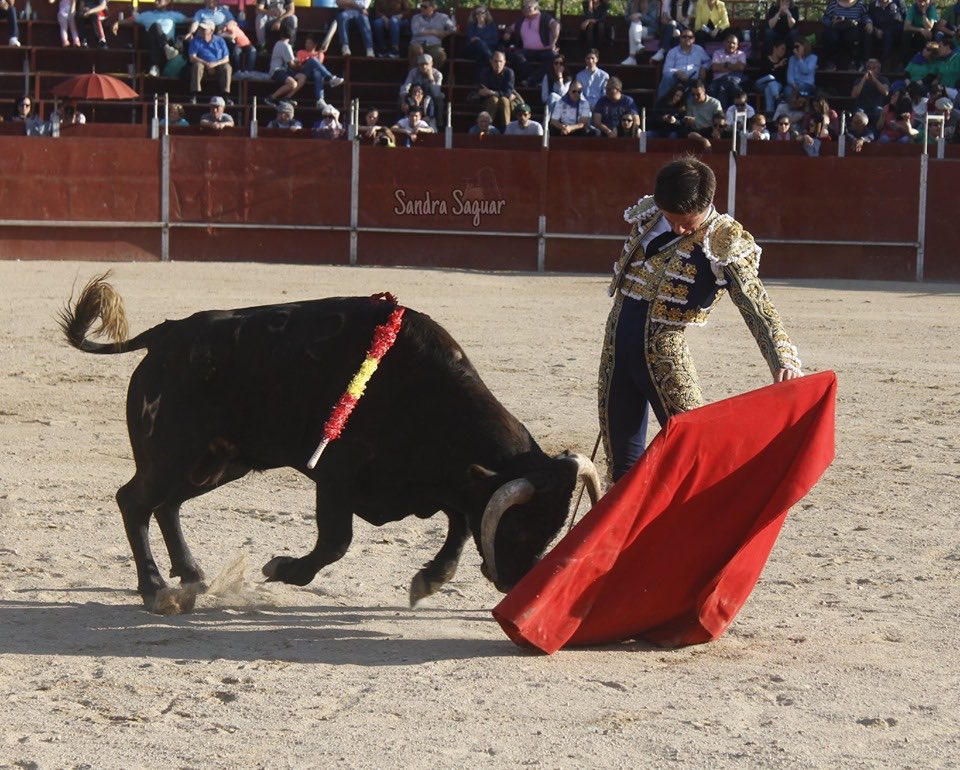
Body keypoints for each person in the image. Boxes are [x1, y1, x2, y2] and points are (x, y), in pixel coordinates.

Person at [598, 157, 802, 482]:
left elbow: (754, 300)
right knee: (620, 463)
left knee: (697, 450)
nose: (678, 229)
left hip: (664, 356)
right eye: (672, 219)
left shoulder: (723, 238)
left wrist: (781, 357)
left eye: (687, 223)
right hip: (615, 350)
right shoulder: (652, 215)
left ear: (706, 203)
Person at [114, 0, 190, 77]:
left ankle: (154, 67)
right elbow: (132, 19)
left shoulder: (173, 15)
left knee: (157, 34)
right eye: (156, 0)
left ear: (167, 2)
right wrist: (117, 22)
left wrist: (193, 29)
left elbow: (191, 20)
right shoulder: (147, 15)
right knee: (155, 26)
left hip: (168, 41)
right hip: (159, 45)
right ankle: (166, 48)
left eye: (159, 1)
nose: (156, 2)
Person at [504, 0, 560, 87]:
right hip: (527, 50)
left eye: (528, 7)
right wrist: (508, 33)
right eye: (524, 7)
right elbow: (510, 28)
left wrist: (553, 43)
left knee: (555, 57)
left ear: (536, 8)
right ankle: (533, 79)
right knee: (515, 55)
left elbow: (556, 25)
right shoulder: (521, 20)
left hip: (544, 50)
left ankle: (530, 80)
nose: (525, 9)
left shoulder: (544, 18)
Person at [656, 27, 710, 100]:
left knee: (697, 85)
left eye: (690, 37)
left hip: (694, 79)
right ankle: (661, 107)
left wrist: (704, 68)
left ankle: (692, 110)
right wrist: (677, 72)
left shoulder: (699, 49)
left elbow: (708, 61)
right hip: (676, 79)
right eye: (684, 37)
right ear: (680, 39)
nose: (687, 39)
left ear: (694, 39)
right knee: (666, 78)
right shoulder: (673, 52)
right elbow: (666, 70)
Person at [296, 33, 345, 111]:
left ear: (314, 45)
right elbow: (298, 65)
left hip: (315, 73)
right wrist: (308, 60)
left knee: (318, 73)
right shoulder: (300, 52)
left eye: (309, 43)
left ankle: (320, 100)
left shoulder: (320, 54)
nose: (306, 45)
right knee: (312, 60)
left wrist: (315, 57)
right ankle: (331, 78)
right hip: (304, 72)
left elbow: (319, 66)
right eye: (306, 43)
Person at [821, 0, 874, 70]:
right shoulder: (834, 4)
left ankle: (854, 63)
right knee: (830, 36)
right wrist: (832, 22)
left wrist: (868, 22)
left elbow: (865, 16)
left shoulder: (860, 4)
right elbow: (825, 18)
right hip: (836, 28)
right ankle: (830, 62)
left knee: (854, 36)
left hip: (853, 29)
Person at [189, 20, 232, 104]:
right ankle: (194, 95)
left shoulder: (220, 41)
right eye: (200, 28)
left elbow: (226, 58)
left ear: (211, 31)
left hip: (218, 65)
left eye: (204, 29)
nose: (201, 30)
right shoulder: (195, 40)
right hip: (203, 66)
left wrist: (215, 64)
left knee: (227, 67)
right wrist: (207, 64)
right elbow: (192, 57)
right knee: (197, 66)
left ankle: (226, 95)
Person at [478, 50, 520, 131]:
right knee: (493, 100)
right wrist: (499, 94)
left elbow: (507, 94)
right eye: (495, 61)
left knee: (504, 100)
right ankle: (487, 129)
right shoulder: (485, 72)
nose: (498, 64)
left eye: (500, 61)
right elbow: (483, 91)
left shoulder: (509, 72)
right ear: (491, 61)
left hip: (505, 101)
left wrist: (492, 92)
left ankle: (506, 129)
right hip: (488, 101)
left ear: (504, 62)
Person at [400, 52, 445, 127]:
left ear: (431, 64)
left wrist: (430, 77)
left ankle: (438, 123)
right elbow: (406, 86)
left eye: (426, 64)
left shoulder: (438, 74)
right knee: (402, 97)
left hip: (431, 97)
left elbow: (436, 93)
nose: (424, 67)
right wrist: (403, 100)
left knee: (439, 99)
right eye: (421, 64)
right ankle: (402, 121)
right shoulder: (414, 72)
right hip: (416, 94)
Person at [408, 0, 457, 67]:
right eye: (421, 6)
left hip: (434, 45)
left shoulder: (443, 17)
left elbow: (453, 29)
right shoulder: (416, 17)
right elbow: (416, 31)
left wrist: (444, 33)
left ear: (433, 8)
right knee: (416, 50)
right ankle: (415, 75)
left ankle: (431, 74)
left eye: (425, 7)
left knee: (440, 55)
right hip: (417, 43)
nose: (422, 8)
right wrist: (434, 32)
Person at [266, 27, 307, 105]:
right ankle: (271, 98)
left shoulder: (278, 43)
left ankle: (287, 98)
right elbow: (291, 65)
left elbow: (290, 59)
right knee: (293, 84)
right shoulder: (286, 46)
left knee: (302, 77)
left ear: (281, 35)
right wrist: (300, 67)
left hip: (285, 70)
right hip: (277, 71)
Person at [707, 32, 748, 107]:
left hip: (734, 79)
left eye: (734, 43)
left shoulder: (741, 54)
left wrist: (723, 65)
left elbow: (741, 67)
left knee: (724, 88)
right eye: (729, 42)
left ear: (737, 45)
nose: (731, 45)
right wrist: (732, 66)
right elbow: (715, 67)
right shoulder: (717, 53)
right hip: (718, 80)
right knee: (711, 89)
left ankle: (727, 111)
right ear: (724, 43)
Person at [868, 0, 905, 68]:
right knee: (868, 32)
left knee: (888, 33)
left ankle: (886, 63)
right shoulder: (872, 5)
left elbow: (906, 19)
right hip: (879, 31)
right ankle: (867, 63)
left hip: (897, 31)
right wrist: (876, 30)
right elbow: (869, 20)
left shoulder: (899, 2)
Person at [852, 57, 890, 123]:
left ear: (878, 70)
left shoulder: (883, 79)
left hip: (877, 106)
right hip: (862, 107)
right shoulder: (859, 80)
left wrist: (874, 79)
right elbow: (854, 95)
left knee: (879, 111)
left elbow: (885, 92)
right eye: (869, 68)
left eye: (874, 68)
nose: (870, 70)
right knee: (858, 113)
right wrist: (863, 79)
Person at [755, 39, 789, 113]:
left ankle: (769, 113)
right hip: (761, 83)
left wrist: (781, 65)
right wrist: (777, 65)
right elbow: (763, 72)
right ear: (775, 48)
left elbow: (782, 79)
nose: (783, 51)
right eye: (782, 49)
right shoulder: (765, 59)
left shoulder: (784, 63)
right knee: (770, 78)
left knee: (769, 87)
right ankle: (778, 100)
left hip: (776, 86)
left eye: (785, 50)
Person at [464, 5, 500, 69]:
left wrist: (480, 40)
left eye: (482, 12)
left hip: (488, 50)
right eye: (477, 13)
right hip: (472, 51)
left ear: (486, 14)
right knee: (479, 44)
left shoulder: (492, 26)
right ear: (475, 15)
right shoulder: (471, 26)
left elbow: (494, 41)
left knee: (481, 55)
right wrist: (479, 24)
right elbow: (471, 39)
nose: (480, 14)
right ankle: (492, 61)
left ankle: (482, 77)